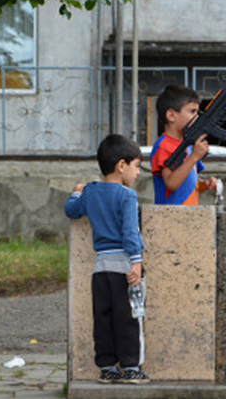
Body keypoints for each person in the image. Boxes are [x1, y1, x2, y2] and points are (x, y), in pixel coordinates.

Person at [64, 134, 149, 384]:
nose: (138, 173)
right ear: (121, 165)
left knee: (103, 317)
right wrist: (136, 262)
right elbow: (130, 232)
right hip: (125, 267)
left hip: (100, 268)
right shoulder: (127, 196)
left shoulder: (90, 191)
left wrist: (76, 193)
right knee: (130, 318)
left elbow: (71, 210)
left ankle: (107, 367)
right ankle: (131, 367)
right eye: (136, 166)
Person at [150, 84, 218, 205]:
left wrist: (205, 185)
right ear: (171, 115)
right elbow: (171, 184)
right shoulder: (163, 145)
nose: (197, 117)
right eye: (192, 112)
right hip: (169, 216)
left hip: (188, 215)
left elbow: (190, 183)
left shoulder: (188, 146)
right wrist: (194, 157)